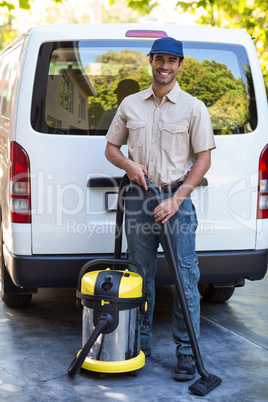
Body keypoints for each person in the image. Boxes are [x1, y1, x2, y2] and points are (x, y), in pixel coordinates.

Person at [105, 37, 215, 381]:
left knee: (185, 280)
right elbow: (111, 148)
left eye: (172, 60)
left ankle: (186, 354)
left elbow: (204, 158)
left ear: (180, 65)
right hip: (139, 201)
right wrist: (127, 165)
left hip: (176, 204)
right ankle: (139, 344)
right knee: (139, 278)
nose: (165, 65)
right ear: (150, 61)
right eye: (159, 59)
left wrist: (176, 199)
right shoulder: (131, 105)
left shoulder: (193, 107)